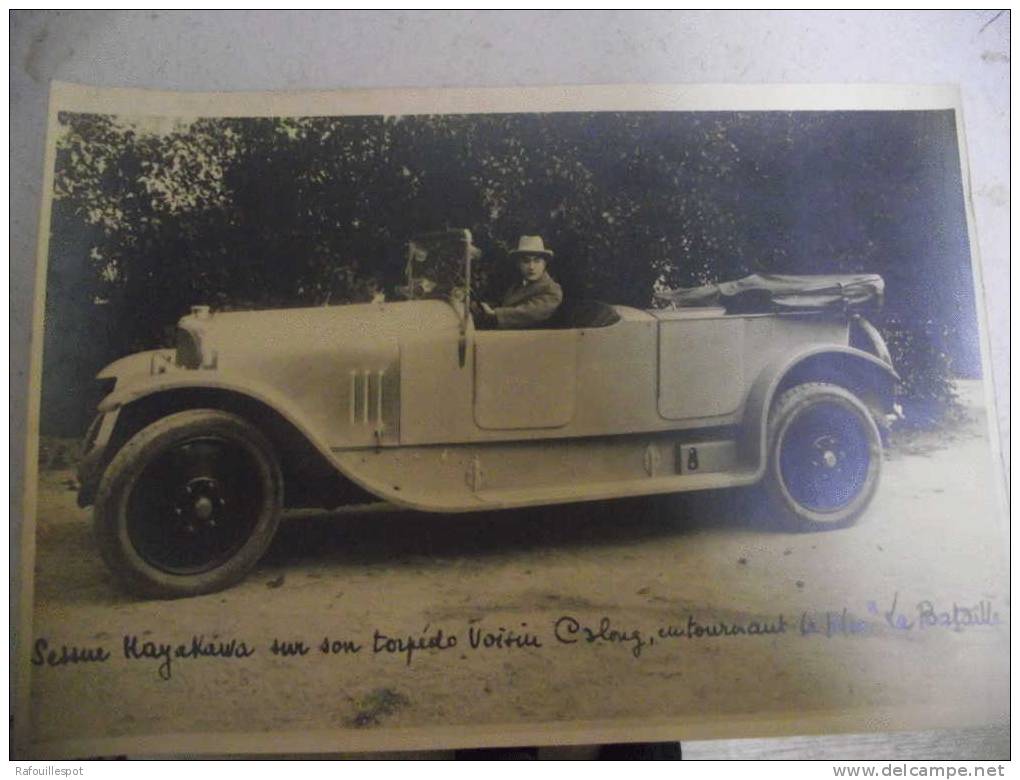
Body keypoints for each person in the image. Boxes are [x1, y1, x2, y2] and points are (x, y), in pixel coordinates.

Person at [475, 235, 563, 329]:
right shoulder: (517, 286)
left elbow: (529, 312)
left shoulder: (551, 289)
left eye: (537, 261)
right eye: (526, 261)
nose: (531, 267)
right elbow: (506, 305)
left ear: (544, 264)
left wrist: (496, 313)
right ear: (519, 264)